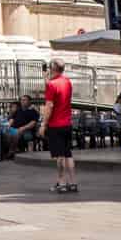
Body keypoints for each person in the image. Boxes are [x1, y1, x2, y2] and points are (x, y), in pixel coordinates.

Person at [41, 61, 76, 194]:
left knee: (59, 156)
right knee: (68, 155)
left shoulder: (51, 84)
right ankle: (73, 183)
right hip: (67, 124)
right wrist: (47, 80)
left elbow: (49, 105)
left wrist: (43, 124)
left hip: (55, 125)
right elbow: (56, 92)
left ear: (52, 69)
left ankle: (61, 182)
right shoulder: (67, 82)